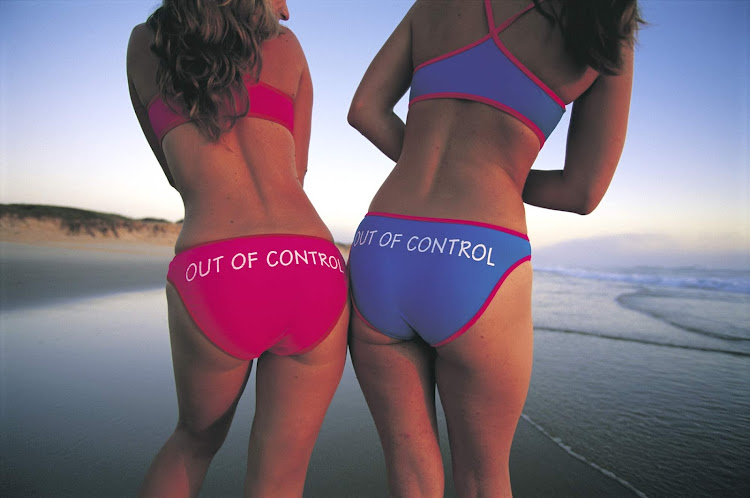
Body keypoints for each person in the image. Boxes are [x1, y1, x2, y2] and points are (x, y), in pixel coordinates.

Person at [347, 0, 642, 496]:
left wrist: (428, 162)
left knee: (409, 476)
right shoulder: (603, 21)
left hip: (383, 243)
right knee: (484, 480)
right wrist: (497, 177)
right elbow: (582, 192)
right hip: (479, 256)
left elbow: (365, 109)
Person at [127, 1, 349, 495]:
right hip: (311, 263)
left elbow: (173, 171)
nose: (287, 10)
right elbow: (298, 172)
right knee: (282, 473)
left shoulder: (146, 42)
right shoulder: (289, 47)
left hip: (217, 266)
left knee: (193, 443)